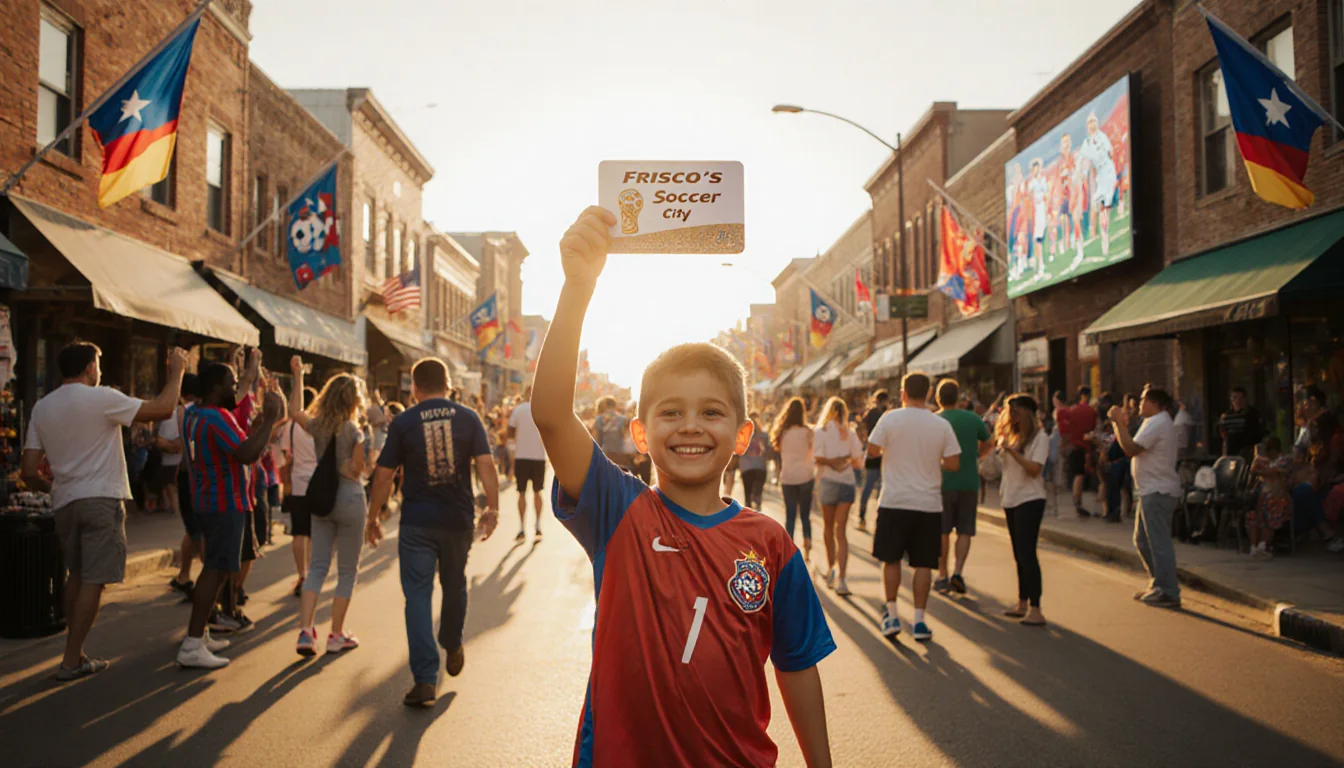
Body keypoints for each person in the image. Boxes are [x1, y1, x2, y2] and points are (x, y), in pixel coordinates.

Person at [530, 207, 835, 767]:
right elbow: (550, 413)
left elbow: (796, 664)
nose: (691, 425)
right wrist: (577, 288)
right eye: (671, 412)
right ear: (640, 433)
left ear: (742, 435)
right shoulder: (617, 510)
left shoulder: (770, 544)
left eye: (712, 412)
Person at [21, 342, 188, 680]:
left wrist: (52, 488)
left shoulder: (42, 406)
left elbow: (27, 470)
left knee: (77, 576)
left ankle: (75, 650)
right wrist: (177, 371)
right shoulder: (101, 397)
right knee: (94, 580)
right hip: (100, 498)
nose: (100, 370)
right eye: (98, 363)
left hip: (65, 501)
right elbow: (164, 408)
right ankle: (71, 659)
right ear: (88, 368)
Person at [366, 357, 500, 708]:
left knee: (417, 597)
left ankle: (425, 678)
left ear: (415, 387)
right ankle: (452, 641)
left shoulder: (405, 422)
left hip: (417, 522)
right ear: (447, 382)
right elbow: (486, 464)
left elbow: (384, 474)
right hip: (457, 520)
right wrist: (492, 508)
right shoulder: (468, 418)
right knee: (454, 584)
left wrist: (373, 516)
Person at [176, 358, 285, 669]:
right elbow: (247, 454)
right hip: (225, 503)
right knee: (216, 569)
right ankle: (193, 643)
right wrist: (269, 420)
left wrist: (260, 422)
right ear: (214, 389)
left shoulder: (194, 414)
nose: (235, 388)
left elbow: (240, 444)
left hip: (208, 500)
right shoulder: (216, 417)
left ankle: (201, 634)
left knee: (218, 569)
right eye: (230, 383)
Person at [866, 371, 962, 642]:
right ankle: (919, 621)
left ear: (903, 393)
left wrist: (892, 451)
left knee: (891, 559)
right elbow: (954, 463)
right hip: (928, 503)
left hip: (894, 500)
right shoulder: (940, 424)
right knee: (923, 563)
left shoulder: (890, 418)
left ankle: (893, 615)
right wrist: (932, 460)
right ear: (929, 393)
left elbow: (872, 450)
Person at [288, 359, 369, 655]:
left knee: (318, 566)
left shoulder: (319, 426)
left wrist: (298, 376)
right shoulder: (355, 431)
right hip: (349, 499)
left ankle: (305, 632)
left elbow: (295, 411)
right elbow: (356, 470)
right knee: (347, 570)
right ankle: (336, 635)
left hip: (321, 499)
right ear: (354, 401)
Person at [1109, 387, 1182, 609]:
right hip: (1148, 490)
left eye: (1142, 400)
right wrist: (1119, 424)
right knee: (1142, 540)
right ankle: (1159, 584)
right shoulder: (1154, 421)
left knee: (1158, 542)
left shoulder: (1158, 422)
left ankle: (1169, 591)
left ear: (1154, 403)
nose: (1138, 404)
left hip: (1158, 491)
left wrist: (1118, 423)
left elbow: (1130, 448)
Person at [994, 395, 1050, 626]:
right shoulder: (1012, 435)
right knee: (1018, 554)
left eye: (1015, 412)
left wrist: (1012, 452)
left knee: (1027, 553)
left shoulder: (1040, 438)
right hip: (1011, 498)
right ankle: (1022, 602)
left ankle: (1036, 608)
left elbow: (1034, 469)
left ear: (1027, 413)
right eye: (1009, 412)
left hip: (1030, 499)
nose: (1011, 417)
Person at [933, 380, 992, 595]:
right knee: (965, 530)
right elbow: (989, 442)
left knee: (942, 531)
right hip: (968, 481)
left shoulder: (935, 420)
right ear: (958, 398)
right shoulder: (973, 419)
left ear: (938, 398)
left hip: (941, 482)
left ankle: (942, 575)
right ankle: (958, 572)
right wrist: (977, 455)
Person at [814, 397, 864, 597]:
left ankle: (830, 568)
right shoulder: (850, 433)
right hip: (846, 482)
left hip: (828, 481)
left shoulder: (821, 431)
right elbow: (859, 460)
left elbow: (816, 457)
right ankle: (842, 578)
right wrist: (844, 460)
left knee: (828, 527)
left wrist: (831, 461)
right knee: (841, 530)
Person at [164, 373, 200, 598]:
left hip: (187, 474)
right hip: (196, 477)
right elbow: (183, 444)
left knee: (193, 531)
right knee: (199, 532)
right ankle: (208, 586)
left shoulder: (183, 411)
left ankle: (184, 576)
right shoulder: (189, 411)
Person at [281, 386, 318, 597]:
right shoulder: (320, 424)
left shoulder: (291, 426)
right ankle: (313, 575)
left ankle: (302, 574)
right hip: (318, 485)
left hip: (298, 483)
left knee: (299, 532)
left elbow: (287, 456)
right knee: (316, 533)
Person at [772, 396, 815, 561]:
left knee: (790, 515)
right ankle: (807, 548)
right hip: (805, 476)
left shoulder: (782, 433)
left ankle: (788, 551)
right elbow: (812, 454)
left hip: (788, 476)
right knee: (805, 515)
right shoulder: (808, 432)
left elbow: (780, 452)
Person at [508, 386, 547, 543]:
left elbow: (510, 438)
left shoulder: (518, 410)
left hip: (521, 457)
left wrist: (511, 462)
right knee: (538, 492)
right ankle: (537, 525)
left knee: (521, 492)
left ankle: (522, 527)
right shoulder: (544, 411)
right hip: (538, 457)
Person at [1248, 437, 1292, 560]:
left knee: (1270, 507)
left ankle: (1262, 545)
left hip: (1277, 495)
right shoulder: (1262, 461)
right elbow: (1255, 473)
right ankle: (1255, 546)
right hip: (1264, 494)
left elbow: (1277, 474)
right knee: (1255, 511)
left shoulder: (1283, 461)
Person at [1063, 386, 1097, 518]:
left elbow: (1066, 429)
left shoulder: (1071, 411)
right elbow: (1093, 429)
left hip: (1072, 445)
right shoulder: (1091, 411)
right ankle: (1078, 502)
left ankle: (1077, 501)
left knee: (1076, 474)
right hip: (1084, 446)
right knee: (1080, 475)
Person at [857, 389, 889, 531]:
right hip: (882, 455)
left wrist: (865, 440)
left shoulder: (870, 412)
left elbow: (860, 426)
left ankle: (862, 514)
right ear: (884, 400)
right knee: (882, 488)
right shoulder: (883, 414)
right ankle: (879, 518)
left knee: (868, 486)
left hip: (871, 453)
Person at [1219, 386, 1266, 461]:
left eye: (1240, 398)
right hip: (1231, 453)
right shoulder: (1226, 416)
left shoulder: (1252, 414)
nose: (1237, 401)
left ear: (1245, 399)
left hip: (1247, 452)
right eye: (1234, 398)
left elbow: (1258, 435)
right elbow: (1224, 435)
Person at [738, 410, 769, 510]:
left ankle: (749, 511)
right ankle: (757, 505)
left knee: (747, 494)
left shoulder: (742, 435)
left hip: (746, 468)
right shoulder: (764, 436)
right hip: (760, 467)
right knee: (758, 492)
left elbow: (738, 450)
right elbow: (770, 453)